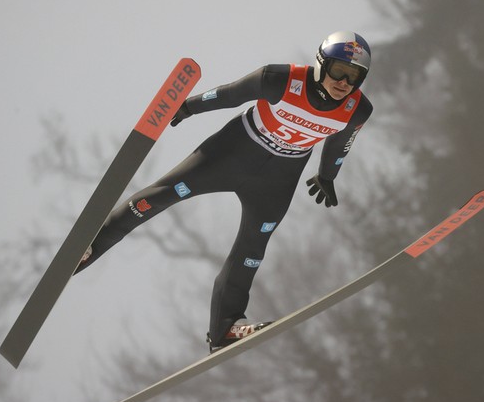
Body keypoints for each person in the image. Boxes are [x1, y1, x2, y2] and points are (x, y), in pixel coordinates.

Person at [75, 31, 374, 352]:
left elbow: (340, 143)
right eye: (339, 71)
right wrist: (188, 106)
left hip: (277, 180)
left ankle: (225, 328)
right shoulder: (281, 78)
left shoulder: (357, 109)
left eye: (354, 77)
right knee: (160, 195)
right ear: (320, 65)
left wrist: (327, 175)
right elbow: (230, 94)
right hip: (231, 154)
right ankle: (89, 247)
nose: (344, 83)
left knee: (253, 249)